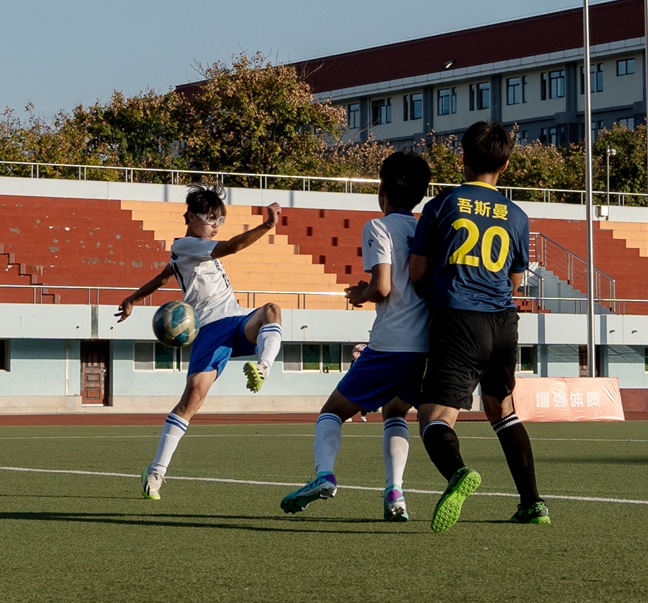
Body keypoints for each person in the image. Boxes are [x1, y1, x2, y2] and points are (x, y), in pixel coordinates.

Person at [407, 121, 549, 532]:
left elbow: (417, 271)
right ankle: (533, 503)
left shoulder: (442, 205)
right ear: (505, 164)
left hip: (458, 320)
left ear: (462, 158)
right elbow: (516, 281)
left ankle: (457, 472)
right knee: (503, 411)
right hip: (504, 323)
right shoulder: (517, 215)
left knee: (434, 417)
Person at [280, 152, 433, 521]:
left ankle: (324, 475)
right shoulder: (428, 229)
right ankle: (395, 493)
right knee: (396, 411)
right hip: (425, 346)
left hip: (390, 343)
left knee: (332, 411)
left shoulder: (378, 227)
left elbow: (382, 287)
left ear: (381, 190)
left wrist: (362, 293)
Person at [116, 184, 283, 500]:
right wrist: (266, 226)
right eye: (210, 218)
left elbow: (165, 276)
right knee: (191, 401)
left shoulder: (187, 251)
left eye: (219, 219)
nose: (215, 225)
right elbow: (232, 247)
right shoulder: (188, 245)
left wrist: (134, 298)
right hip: (209, 331)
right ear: (190, 217)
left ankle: (262, 366)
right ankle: (155, 473)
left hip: (235, 321)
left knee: (272, 310)